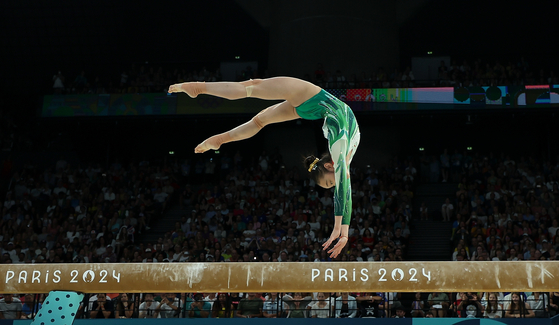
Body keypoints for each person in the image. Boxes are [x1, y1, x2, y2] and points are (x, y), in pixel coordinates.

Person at [168, 77, 360, 258]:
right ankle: (199, 87)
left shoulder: (342, 160)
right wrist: (339, 229)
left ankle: (219, 140)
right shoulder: (339, 151)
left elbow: (346, 192)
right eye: (330, 182)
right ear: (329, 165)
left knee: (259, 119)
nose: (336, 184)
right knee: (251, 88)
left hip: (315, 109)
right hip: (310, 95)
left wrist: (344, 233)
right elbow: (343, 191)